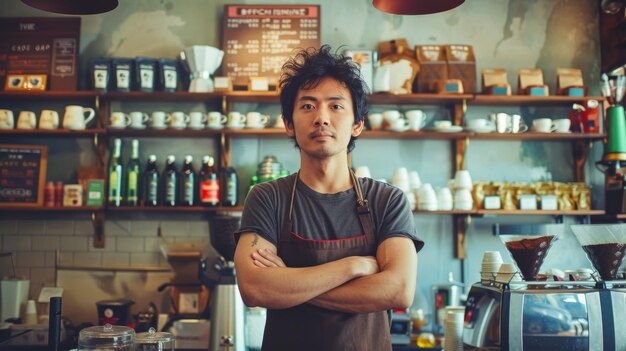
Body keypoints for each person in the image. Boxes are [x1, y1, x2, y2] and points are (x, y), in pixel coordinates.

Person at [234, 45, 424, 351]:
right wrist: (353, 267)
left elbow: (398, 290)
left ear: (358, 124)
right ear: (289, 124)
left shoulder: (387, 201)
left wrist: (289, 282)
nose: (321, 118)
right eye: (308, 106)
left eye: (335, 106)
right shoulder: (267, 198)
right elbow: (255, 288)